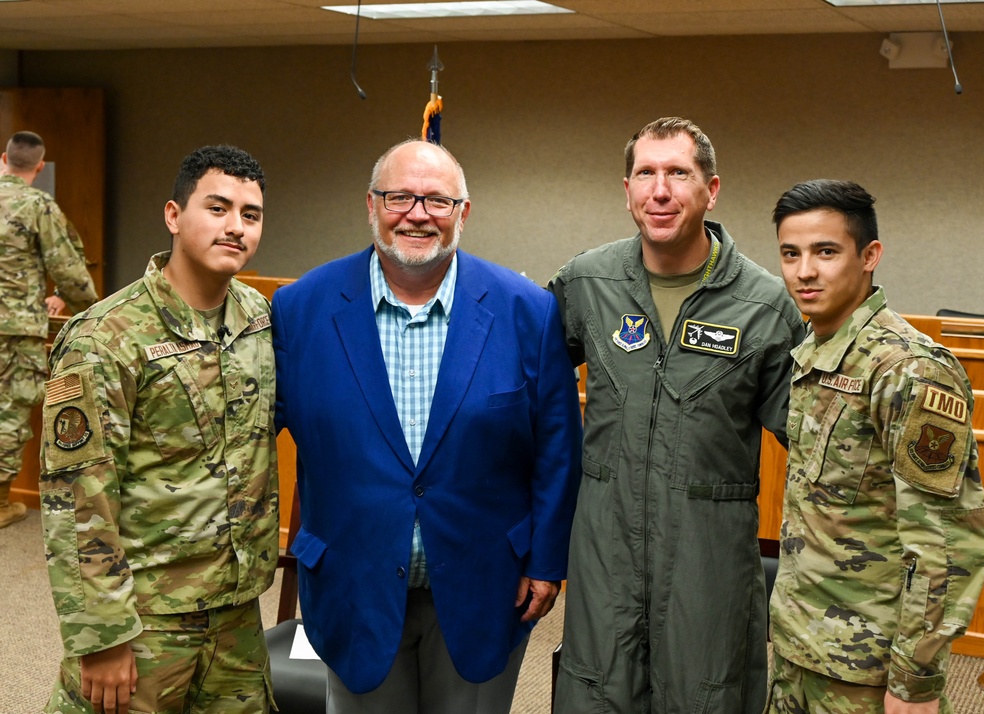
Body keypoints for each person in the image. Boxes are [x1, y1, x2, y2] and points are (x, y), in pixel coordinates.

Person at [272, 138, 582, 714]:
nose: (417, 213)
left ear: (463, 213)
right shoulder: (300, 308)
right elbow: (254, 437)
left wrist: (545, 561)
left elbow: (557, 448)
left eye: (437, 200)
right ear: (371, 205)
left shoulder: (526, 310)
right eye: (399, 197)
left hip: (487, 585)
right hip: (351, 582)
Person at [548, 116, 805, 713]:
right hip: (604, 550)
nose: (659, 191)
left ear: (710, 190)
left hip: (707, 559)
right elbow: (526, 398)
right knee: (596, 688)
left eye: (678, 174)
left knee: (705, 696)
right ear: (628, 188)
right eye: (646, 173)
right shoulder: (587, 283)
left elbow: (814, 445)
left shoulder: (763, 304)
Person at [39, 145, 279, 714]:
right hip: (144, 621)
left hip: (237, 614)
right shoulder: (106, 337)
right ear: (174, 216)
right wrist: (102, 635)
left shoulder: (259, 320)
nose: (235, 227)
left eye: (251, 214)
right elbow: (76, 498)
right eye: (217, 208)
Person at [766, 179, 984, 714]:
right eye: (790, 253)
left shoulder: (908, 369)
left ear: (869, 256)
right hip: (802, 646)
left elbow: (947, 544)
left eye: (825, 251)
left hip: (867, 669)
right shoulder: (815, 355)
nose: (805, 272)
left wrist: (914, 685)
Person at [0, 130, 97, 529]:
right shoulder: (36, 204)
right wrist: (92, 313)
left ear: (3, 158)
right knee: (9, 411)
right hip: (16, 328)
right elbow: (69, 267)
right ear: (39, 167)